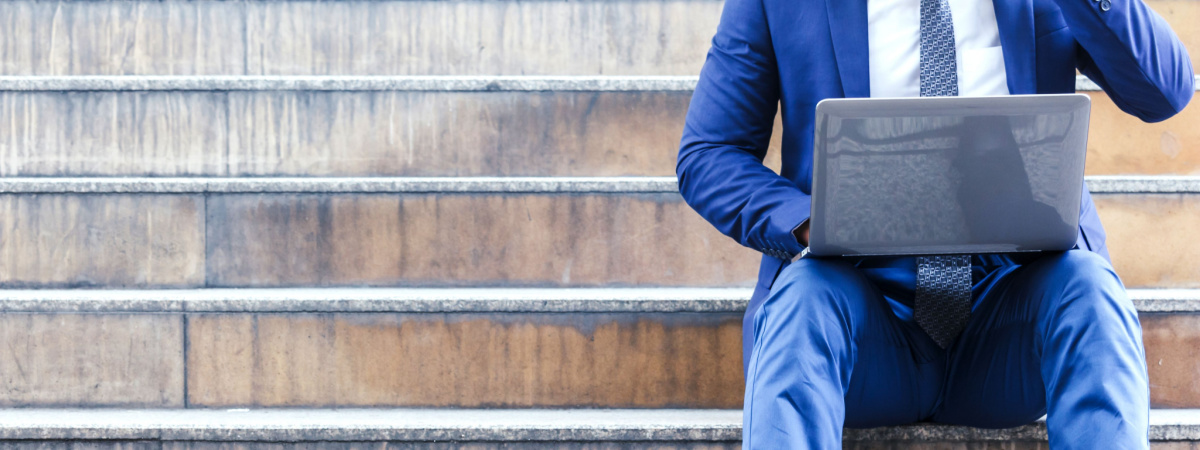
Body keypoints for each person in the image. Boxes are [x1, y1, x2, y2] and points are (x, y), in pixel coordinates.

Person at [675, 0, 1194, 446]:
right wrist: (814, 222)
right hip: (857, 332)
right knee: (803, 295)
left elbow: (1165, 91)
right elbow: (709, 153)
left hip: (1012, 331)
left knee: (1091, 289)